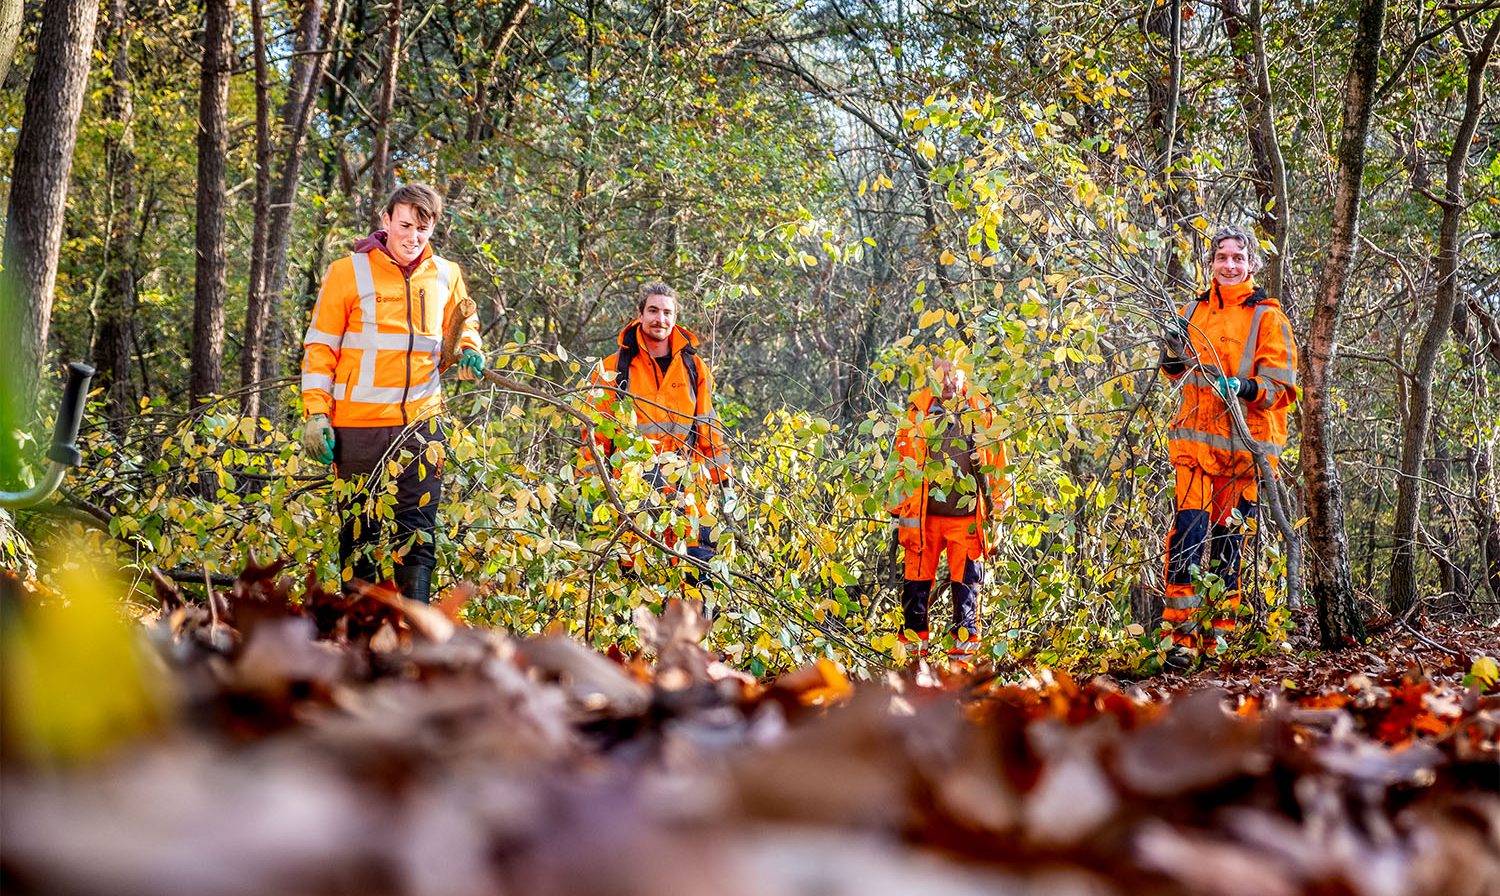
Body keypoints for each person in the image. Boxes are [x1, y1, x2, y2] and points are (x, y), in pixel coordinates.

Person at [298, 183, 484, 603]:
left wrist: (471, 349)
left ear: (433, 226)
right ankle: (358, 645)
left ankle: (413, 642)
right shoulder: (348, 271)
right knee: (358, 534)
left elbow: (464, 322)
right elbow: (320, 347)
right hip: (358, 428)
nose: (412, 236)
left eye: (423, 227)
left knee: (417, 535)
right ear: (386, 221)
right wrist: (316, 413)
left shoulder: (446, 273)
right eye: (404, 224)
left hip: (421, 426)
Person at [1158, 225, 1298, 669]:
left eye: (1239, 257)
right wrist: (1171, 348)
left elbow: (1281, 385)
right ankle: (1180, 641)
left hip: (1243, 455)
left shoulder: (1267, 317)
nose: (1230, 265)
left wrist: (1243, 386)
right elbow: (1177, 374)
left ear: (1252, 263)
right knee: (1186, 540)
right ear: (1211, 263)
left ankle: (1219, 642)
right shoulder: (1192, 310)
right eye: (1222, 257)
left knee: (1227, 546)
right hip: (1194, 451)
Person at [580, 282, 735, 583]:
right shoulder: (613, 369)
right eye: (653, 310)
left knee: (697, 589)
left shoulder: (694, 368)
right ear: (639, 314)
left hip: (688, 496)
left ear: (675, 318)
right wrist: (589, 488)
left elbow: (709, 431)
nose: (659, 319)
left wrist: (725, 484)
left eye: (667, 312)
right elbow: (595, 435)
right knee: (634, 594)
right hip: (632, 498)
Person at [887, 354, 1011, 666]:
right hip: (921, 522)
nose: (945, 384)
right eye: (939, 377)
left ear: (962, 377)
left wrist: (999, 516)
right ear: (930, 377)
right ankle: (915, 667)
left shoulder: (982, 413)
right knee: (914, 595)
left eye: (950, 377)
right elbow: (900, 466)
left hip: (968, 523)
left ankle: (962, 668)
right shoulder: (917, 413)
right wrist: (895, 513)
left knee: (967, 593)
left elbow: (998, 465)